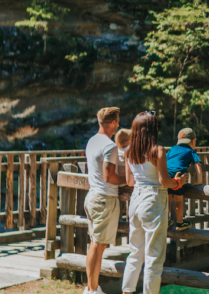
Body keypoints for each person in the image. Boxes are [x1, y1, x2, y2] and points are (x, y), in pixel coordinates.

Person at [122, 111, 188, 294]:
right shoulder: (157, 150)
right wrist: (178, 182)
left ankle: (127, 291)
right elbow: (164, 181)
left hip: (135, 200)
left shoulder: (129, 152)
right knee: (154, 257)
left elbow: (129, 182)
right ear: (153, 129)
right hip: (153, 200)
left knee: (135, 252)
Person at [84, 107, 127, 294]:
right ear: (111, 123)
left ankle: (91, 287)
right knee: (97, 245)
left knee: (95, 243)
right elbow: (109, 177)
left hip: (93, 195)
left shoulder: (92, 141)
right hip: (104, 199)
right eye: (117, 121)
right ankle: (92, 290)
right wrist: (128, 180)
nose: (118, 125)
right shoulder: (110, 146)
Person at [166, 128, 203, 231]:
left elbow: (165, 160)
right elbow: (198, 165)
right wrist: (199, 181)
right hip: (180, 175)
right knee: (178, 201)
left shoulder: (172, 148)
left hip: (168, 175)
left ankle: (167, 220)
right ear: (193, 141)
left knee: (168, 199)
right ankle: (180, 222)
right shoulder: (191, 151)